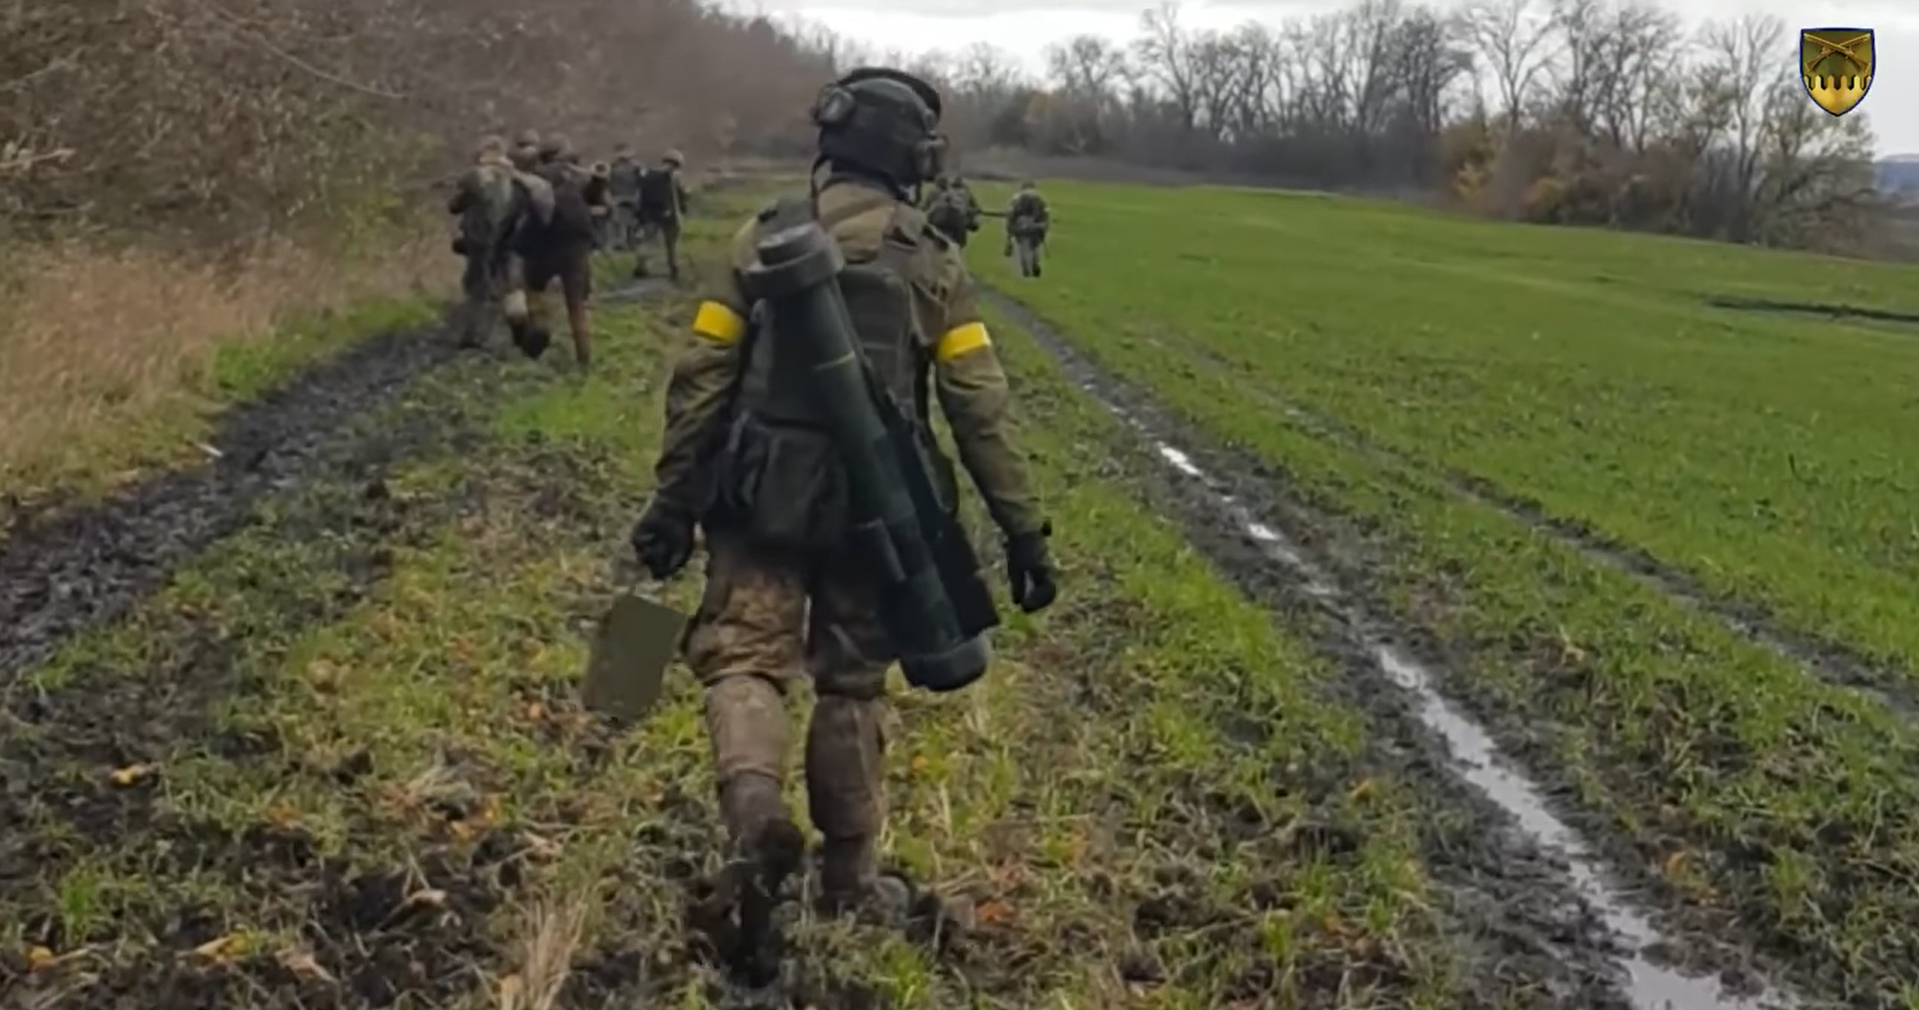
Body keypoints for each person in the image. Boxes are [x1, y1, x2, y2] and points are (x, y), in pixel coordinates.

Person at [629, 67, 1058, 921]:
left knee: (744, 659)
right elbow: (979, 408)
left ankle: (755, 823)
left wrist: (674, 500)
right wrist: (1023, 531)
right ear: (915, 156)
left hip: (759, 497)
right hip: (877, 509)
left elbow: (701, 379)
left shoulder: (758, 240)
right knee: (852, 685)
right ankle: (850, 884)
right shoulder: (930, 263)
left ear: (832, 140)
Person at [514, 134, 606, 369]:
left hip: (542, 244)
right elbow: (602, 204)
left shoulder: (533, 178)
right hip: (575, 246)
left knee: (534, 290)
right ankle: (584, 359)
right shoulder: (580, 175)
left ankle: (540, 330)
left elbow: (521, 210)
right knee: (577, 305)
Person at [445, 135, 521, 349]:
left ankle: (473, 334)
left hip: (480, 238)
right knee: (505, 282)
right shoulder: (515, 176)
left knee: (476, 285)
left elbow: (455, 205)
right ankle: (514, 325)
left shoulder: (473, 176)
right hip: (507, 236)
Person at [632, 149, 690, 282]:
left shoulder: (649, 174)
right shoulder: (675, 176)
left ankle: (641, 267)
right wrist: (683, 207)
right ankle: (673, 268)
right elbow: (682, 196)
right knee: (672, 245)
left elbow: (640, 195)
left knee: (647, 242)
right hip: (670, 215)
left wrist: (640, 214)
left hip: (650, 214)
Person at [1005, 180, 1050, 278]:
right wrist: (1044, 227)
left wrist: (1010, 230)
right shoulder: (1039, 199)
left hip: (1020, 228)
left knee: (1023, 248)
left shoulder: (1017, 199)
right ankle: (1034, 264)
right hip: (1035, 228)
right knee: (1034, 248)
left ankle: (1026, 268)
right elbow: (1045, 214)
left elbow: (1011, 215)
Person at [924, 174, 981, 248]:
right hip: (955, 221)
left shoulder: (934, 191)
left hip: (940, 221)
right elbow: (976, 209)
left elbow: (924, 208)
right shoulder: (964, 191)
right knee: (957, 245)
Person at [606, 144, 645, 251]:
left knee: (624, 222)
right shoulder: (636, 167)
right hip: (627, 198)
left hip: (623, 198)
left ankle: (624, 243)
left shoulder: (613, 167)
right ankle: (625, 243)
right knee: (625, 222)